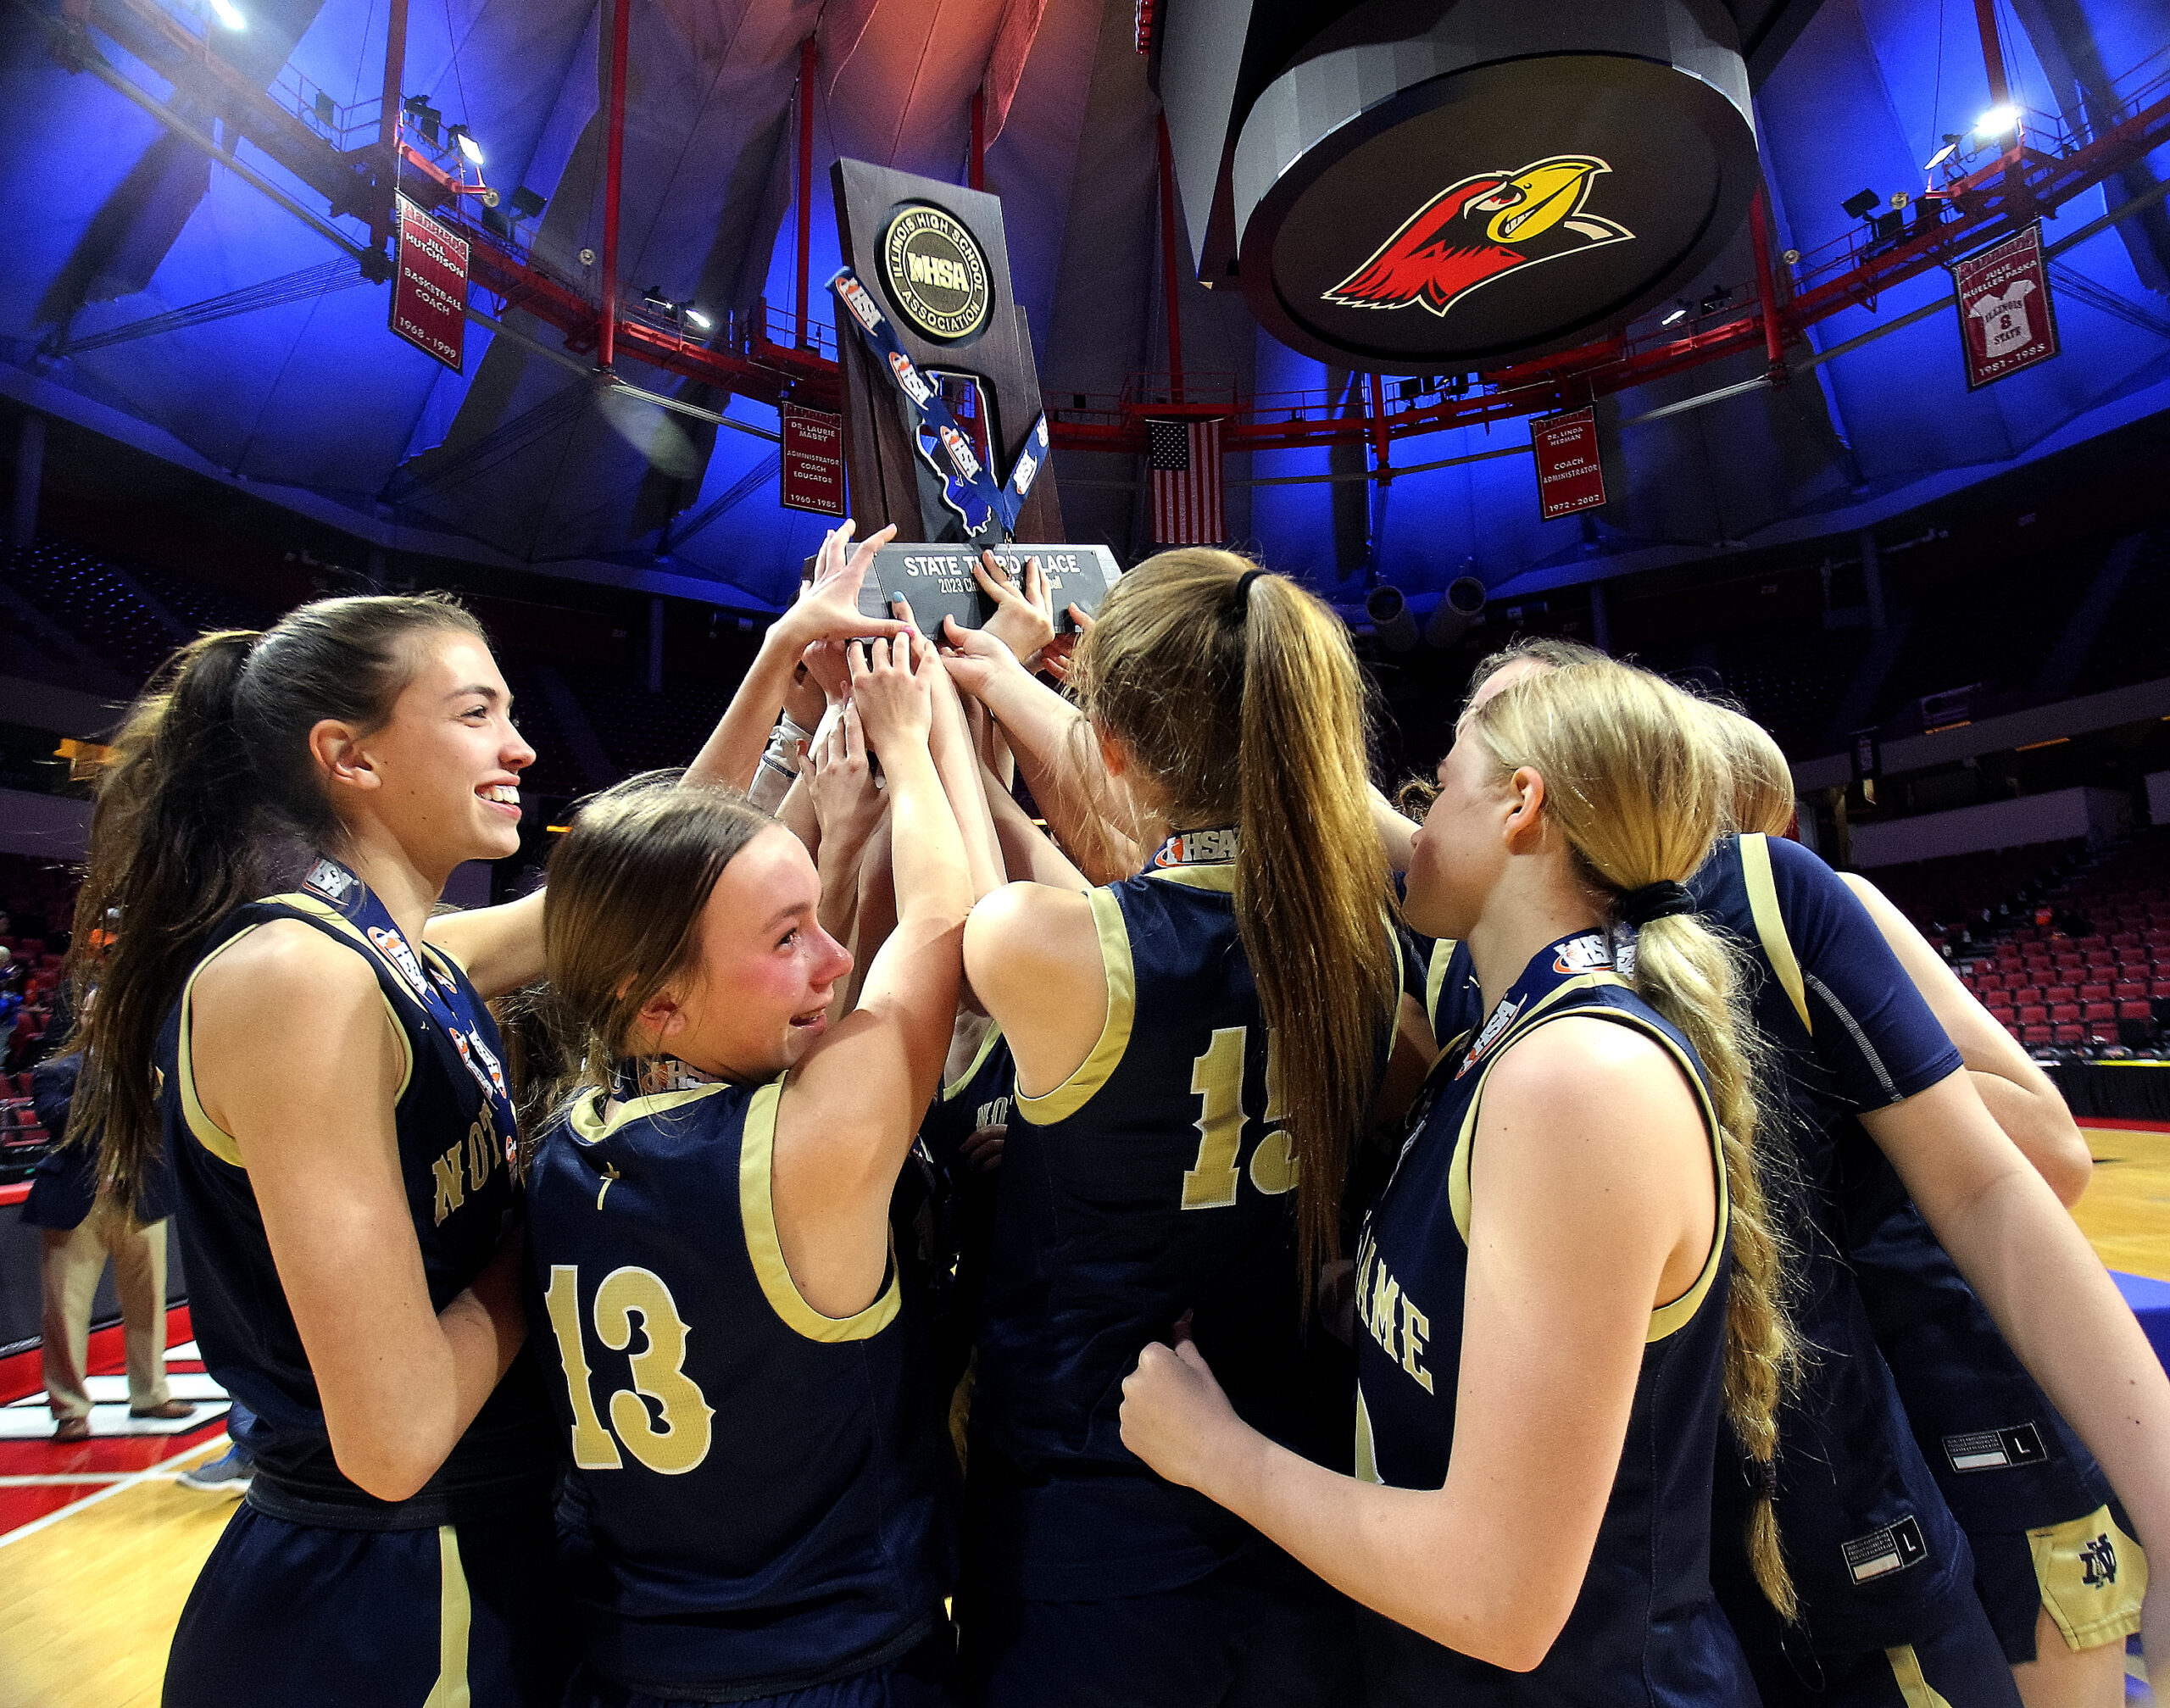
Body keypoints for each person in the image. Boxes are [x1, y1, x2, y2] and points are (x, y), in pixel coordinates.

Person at [67, 543, 904, 1708]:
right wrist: (556, 1223)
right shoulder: (296, 976)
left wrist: (782, 673)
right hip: (384, 1598)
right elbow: (394, 1432)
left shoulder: (401, 950)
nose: (521, 745)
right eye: (476, 712)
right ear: (347, 755)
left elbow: (632, 891)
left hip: (474, 1553)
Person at [1120, 648, 1795, 1705]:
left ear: (1521, 803)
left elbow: (1499, 1596)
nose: (1414, 823)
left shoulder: (1579, 1077)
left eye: (1436, 789)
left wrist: (1215, 1452)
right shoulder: (1499, 1039)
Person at [943, 550, 1423, 1707]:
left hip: (1093, 1520)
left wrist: (945, 715)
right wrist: (1009, 684)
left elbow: (970, 890)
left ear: (1115, 744)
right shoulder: (1367, 951)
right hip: (1298, 1499)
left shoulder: (1058, 947)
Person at [523, 631, 980, 1707]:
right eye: (789, 937)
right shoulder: (804, 1149)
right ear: (659, 1002)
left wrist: (837, 831)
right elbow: (944, 922)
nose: (831, 960)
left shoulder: (561, 1142)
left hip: (637, 1658)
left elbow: (789, 990)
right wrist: (911, 745)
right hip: (827, 1665)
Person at [24, 1038, 194, 1442]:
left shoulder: (149, 1067)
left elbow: (166, 1114)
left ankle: (150, 1393)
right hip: (77, 1203)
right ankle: (70, 1410)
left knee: (150, 1300)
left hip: (139, 1197)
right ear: (82, 1019)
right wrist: (110, 1088)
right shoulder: (57, 1069)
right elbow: (55, 1117)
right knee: (64, 1309)